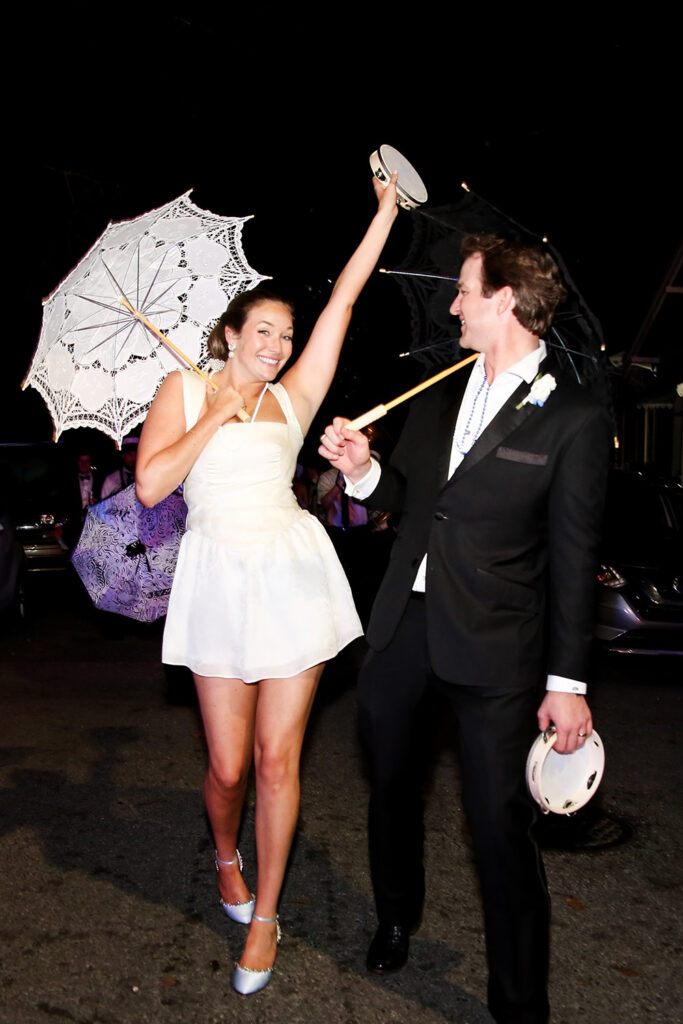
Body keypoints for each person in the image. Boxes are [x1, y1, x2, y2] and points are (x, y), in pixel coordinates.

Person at [319, 233, 611, 1024]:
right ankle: (393, 915)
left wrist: (567, 683)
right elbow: (405, 498)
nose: (451, 303)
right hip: (402, 627)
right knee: (390, 790)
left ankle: (519, 1002)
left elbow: (572, 555)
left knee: (497, 825)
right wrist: (360, 470)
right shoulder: (436, 390)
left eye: (463, 290)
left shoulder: (573, 415)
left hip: (496, 646)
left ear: (504, 299)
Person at [135, 175, 398, 995]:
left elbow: (345, 303)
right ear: (230, 333)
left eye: (285, 332)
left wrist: (384, 212)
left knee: (277, 760)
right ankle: (225, 856)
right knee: (227, 768)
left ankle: (267, 917)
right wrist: (216, 409)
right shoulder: (182, 388)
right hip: (217, 575)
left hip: (289, 574)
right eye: (265, 330)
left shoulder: (296, 394)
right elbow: (150, 489)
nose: (278, 343)